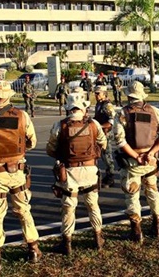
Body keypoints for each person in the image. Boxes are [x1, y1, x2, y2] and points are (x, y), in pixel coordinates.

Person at [0, 81, 41, 268]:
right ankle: (33, 248)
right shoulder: (22, 116)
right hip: (17, 171)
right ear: (9, 96)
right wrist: (18, 152)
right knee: (24, 210)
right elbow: (32, 141)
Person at [46, 93, 107, 255]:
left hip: (69, 172)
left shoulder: (60, 125)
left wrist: (63, 156)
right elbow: (103, 143)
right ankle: (98, 238)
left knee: (68, 207)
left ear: (68, 108)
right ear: (83, 108)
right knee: (93, 205)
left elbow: (50, 148)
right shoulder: (93, 124)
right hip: (90, 171)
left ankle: (67, 243)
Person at [113, 81, 159, 242]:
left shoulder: (122, 114)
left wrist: (136, 156)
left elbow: (120, 141)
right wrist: (151, 153)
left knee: (132, 195)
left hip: (132, 162)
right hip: (151, 162)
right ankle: (157, 226)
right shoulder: (155, 112)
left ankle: (136, 232)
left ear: (129, 96)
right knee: (153, 192)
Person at [93, 86, 118, 187]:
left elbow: (111, 121)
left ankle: (110, 177)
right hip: (99, 133)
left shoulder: (108, 105)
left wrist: (99, 126)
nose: (96, 95)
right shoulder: (99, 104)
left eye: (98, 93)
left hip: (106, 133)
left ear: (104, 94)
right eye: (95, 93)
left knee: (107, 156)